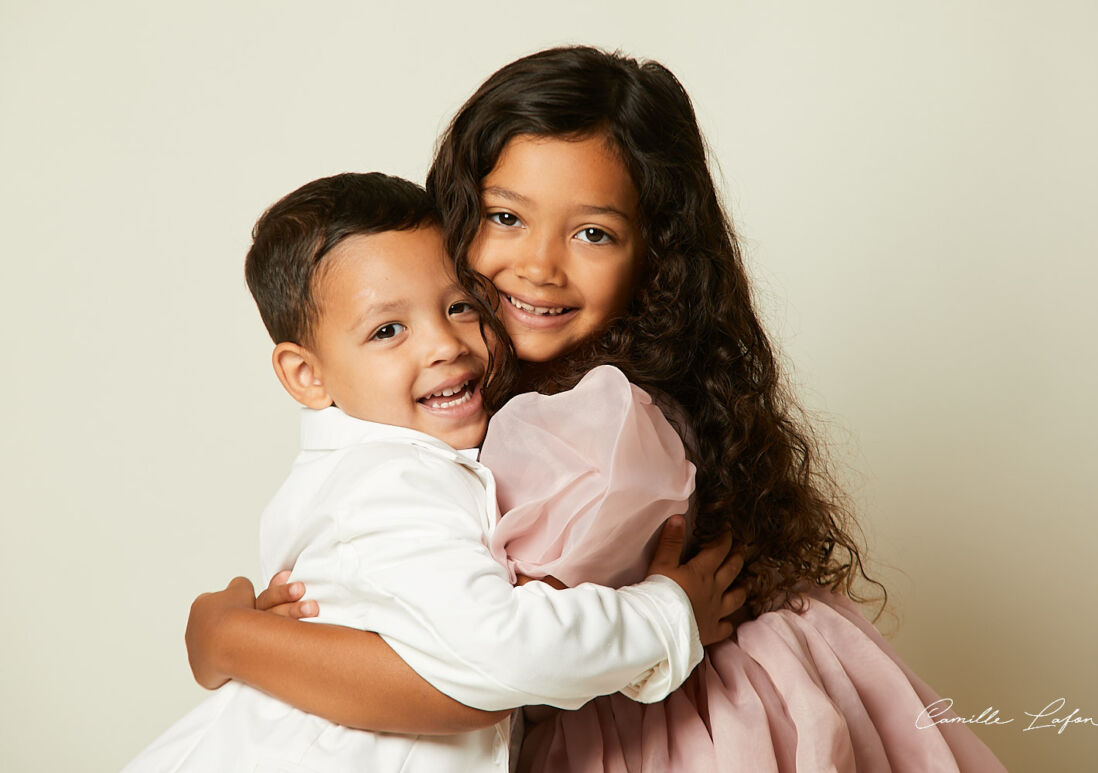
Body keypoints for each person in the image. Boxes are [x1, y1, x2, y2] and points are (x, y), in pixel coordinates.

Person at [188, 48, 1007, 771]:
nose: (539, 267)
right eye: (507, 218)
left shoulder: (593, 430)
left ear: (656, 255)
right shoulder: (456, 396)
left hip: (681, 724)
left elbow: (466, 676)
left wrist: (230, 640)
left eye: (594, 234)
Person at [127, 172, 745, 772]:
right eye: (388, 330)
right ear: (306, 376)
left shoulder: (385, 467)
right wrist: (668, 616)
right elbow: (498, 654)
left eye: (458, 306)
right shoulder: (387, 485)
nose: (445, 344)